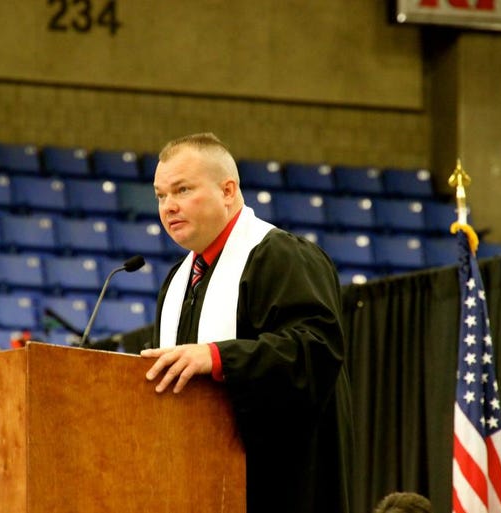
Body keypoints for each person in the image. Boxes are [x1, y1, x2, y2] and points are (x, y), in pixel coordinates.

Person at [139, 132, 353, 513]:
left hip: (277, 486)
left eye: (182, 190)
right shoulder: (178, 280)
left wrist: (219, 358)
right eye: (160, 195)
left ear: (228, 190)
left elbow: (315, 350)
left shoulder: (282, 257)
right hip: (197, 484)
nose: (168, 206)